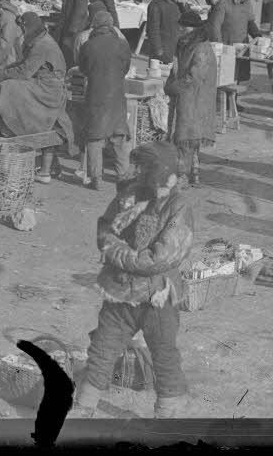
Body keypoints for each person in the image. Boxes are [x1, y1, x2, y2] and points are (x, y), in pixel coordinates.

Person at [72, 141, 195, 420]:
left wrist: (116, 252)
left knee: (163, 353)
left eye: (167, 183)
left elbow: (160, 258)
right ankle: (85, 405)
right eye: (155, 183)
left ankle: (169, 409)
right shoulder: (130, 195)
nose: (161, 190)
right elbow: (105, 227)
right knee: (102, 348)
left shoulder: (179, 207)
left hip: (157, 296)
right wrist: (112, 245)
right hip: (119, 292)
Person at [0, 11, 70, 146]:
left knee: (7, 87)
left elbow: (24, 72)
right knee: (8, 85)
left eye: (22, 28)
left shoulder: (42, 45)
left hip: (49, 90)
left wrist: (0, 76)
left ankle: (11, 128)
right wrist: (4, 69)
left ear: (26, 27)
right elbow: (23, 63)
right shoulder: (39, 39)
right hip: (43, 82)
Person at [76, 8, 134, 189]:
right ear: (111, 25)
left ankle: (96, 179)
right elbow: (125, 69)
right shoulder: (123, 44)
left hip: (95, 95)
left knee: (94, 138)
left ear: (94, 25)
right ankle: (123, 177)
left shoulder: (88, 45)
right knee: (119, 137)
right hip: (117, 96)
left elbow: (83, 69)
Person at [165, 27, 219, 187]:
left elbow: (195, 76)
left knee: (186, 138)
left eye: (184, 27)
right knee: (190, 139)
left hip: (196, 99)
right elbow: (176, 68)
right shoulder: (186, 44)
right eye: (179, 26)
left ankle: (182, 177)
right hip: (189, 96)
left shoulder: (201, 48)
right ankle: (194, 172)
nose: (180, 30)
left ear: (193, 28)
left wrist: (174, 86)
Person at [57, 0, 90, 68]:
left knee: (69, 52)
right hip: (67, 23)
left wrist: (73, 28)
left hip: (73, 27)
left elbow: (80, 10)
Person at [146, 0, 185, 65]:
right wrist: (158, 50)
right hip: (162, 50)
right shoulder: (156, 5)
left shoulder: (175, 4)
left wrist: (183, 6)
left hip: (173, 48)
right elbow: (153, 30)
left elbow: (186, 20)